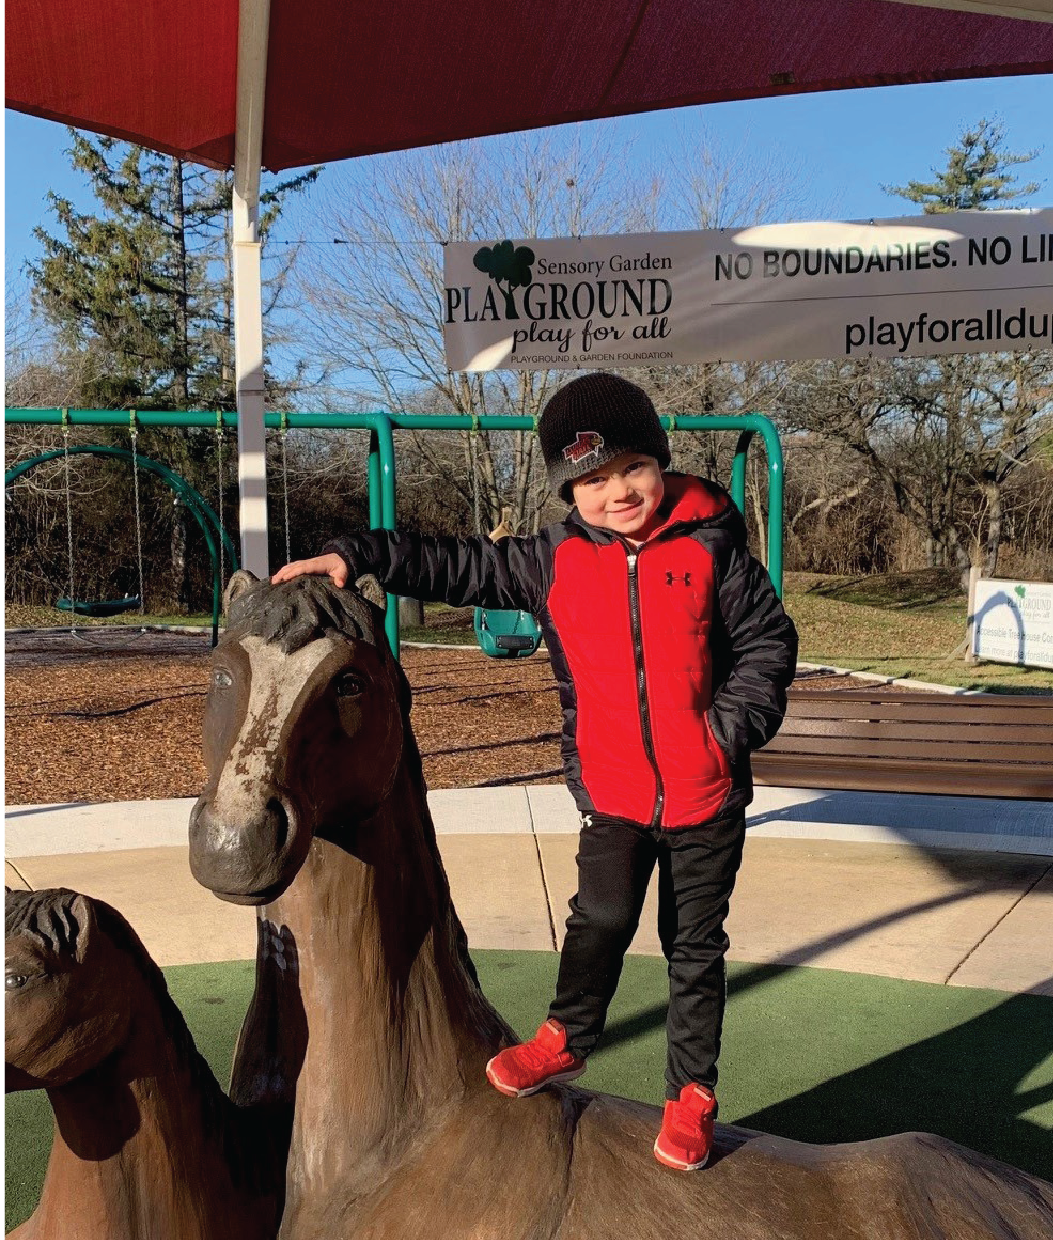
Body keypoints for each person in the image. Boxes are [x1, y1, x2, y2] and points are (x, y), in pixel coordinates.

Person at [273, 373, 798, 1170]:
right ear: (569, 492)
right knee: (601, 919)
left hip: (705, 795)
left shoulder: (714, 545)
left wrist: (725, 733)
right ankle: (569, 1035)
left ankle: (691, 1091)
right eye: (591, 482)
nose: (616, 493)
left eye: (631, 470)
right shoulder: (552, 562)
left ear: (659, 462)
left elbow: (767, 645)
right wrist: (356, 554)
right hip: (615, 795)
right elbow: (449, 564)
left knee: (692, 946)